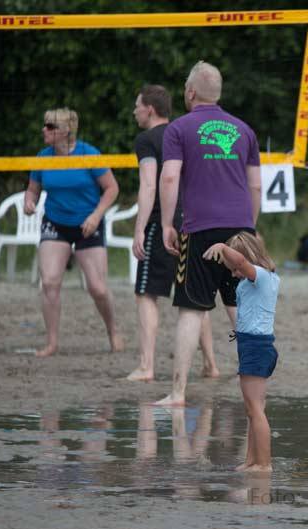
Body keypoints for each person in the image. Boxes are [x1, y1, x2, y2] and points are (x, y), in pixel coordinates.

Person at [155, 61, 261, 406]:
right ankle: (256, 387)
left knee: (191, 309)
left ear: (190, 92)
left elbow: (170, 177)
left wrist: (167, 223)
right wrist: (250, 229)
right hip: (240, 228)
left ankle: (178, 393)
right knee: (240, 307)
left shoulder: (179, 128)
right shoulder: (245, 130)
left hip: (199, 228)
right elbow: (255, 185)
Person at [126, 84, 218, 382]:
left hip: (161, 221)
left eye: (137, 106)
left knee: (146, 293)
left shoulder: (146, 139)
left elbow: (150, 184)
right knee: (194, 295)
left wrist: (139, 228)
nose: (134, 111)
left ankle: (146, 366)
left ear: (149, 109)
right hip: (195, 220)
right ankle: (211, 365)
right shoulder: (186, 131)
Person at [24, 107, 123, 358]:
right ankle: (52, 343)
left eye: (50, 126)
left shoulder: (89, 154)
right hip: (55, 223)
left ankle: (113, 330)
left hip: (87, 223)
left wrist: (96, 215)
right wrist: (29, 201)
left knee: (98, 288)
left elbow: (111, 189)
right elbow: (33, 188)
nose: (43, 130)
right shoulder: (43, 157)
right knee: (49, 282)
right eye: (44, 125)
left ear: (67, 131)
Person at [204, 232, 280, 472]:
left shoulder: (263, 277)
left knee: (255, 410)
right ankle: (251, 460)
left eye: (234, 269)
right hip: (251, 346)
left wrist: (220, 246)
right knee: (252, 409)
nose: (234, 274)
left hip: (257, 348)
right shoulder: (250, 282)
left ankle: (264, 464)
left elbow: (240, 263)